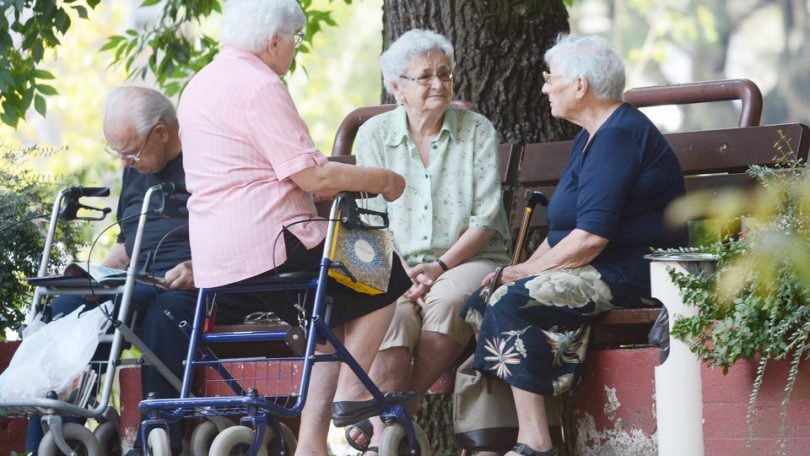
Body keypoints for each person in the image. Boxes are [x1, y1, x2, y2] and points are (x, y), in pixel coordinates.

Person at [176, 0, 411, 454]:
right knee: (387, 271)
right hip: (270, 244)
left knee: (331, 319)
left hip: (216, 257)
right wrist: (382, 180)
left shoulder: (202, 82)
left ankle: (312, 443)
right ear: (275, 40)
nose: (294, 50)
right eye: (296, 40)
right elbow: (313, 176)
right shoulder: (259, 84)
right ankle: (352, 395)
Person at [462, 35, 688, 456]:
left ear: (580, 85)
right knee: (484, 298)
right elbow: (562, 234)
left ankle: (535, 443)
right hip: (594, 266)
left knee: (512, 300)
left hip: (630, 272)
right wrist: (519, 270)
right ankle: (513, 433)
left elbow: (590, 239)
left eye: (552, 79)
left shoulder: (620, 135)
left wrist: (524, 274)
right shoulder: (591, 136)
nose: (546, 87)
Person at [346, 29, 511, 454]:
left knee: (448, 300)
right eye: (426, 77)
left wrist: (437, 269)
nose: (439, 84)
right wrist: (404, 273)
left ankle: (400, 408)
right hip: (393, 261)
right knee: (389, 315)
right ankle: (388, 441)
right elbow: (370, 220)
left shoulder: (476, 130)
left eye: (445, 74)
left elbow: (487, 219)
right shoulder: (374, 136)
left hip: (467, 259)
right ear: (397, 87)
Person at [26, 86, 197, 455]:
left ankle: (158, 433)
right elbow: (128, 240)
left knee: (161, 312)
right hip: (137, 277)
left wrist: (202, 267)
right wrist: (92, 276)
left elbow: (232, 228)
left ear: (162, 133)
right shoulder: (137, 169)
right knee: (64, 308)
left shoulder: (204, 160)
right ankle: (50, 435)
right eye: (117, 153)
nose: (124, 163)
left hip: (186, 280)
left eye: (130, 151)